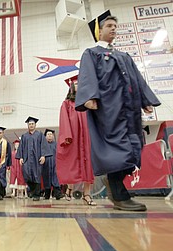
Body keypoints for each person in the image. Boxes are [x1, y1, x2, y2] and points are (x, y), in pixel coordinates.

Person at [75, 11, 161, 211]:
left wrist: (145, 100)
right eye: (109, 26)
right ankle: (119, 195)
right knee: (117, 150)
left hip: (129, 111)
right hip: (109, 110)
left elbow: (137, 78)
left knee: (134, 149)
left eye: (115, 26)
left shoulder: (123, 56)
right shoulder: (92, 53)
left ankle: (114, 183)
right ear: (99, 31)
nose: (113, 29)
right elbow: (87, 76)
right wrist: (89, 97)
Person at [56, 76, 96, 205]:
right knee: (71, 164)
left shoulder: (88, 103)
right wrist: (67, 136)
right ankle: (69, 188)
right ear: (71, 87)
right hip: (73, 139)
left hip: (86, 138)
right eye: (76, 83)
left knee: (88, 165)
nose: (78, 85)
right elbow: (64, 120)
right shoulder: (67, 104)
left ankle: (87, 194)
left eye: (80, 83)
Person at [15, 116, 51, 201]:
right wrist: (20, 157)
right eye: (29, 124)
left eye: (32, 124)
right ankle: (32, 191)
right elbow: (21, 148)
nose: (31, 125)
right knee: (27, 175)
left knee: (37, 176)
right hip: (27, 160)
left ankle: (36, 195)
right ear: (28, 125)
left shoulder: (40, 135)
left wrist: (43, 156)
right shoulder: (24, 136)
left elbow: (43, 146)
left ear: (35, 125)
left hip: (36, 160)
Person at [42, 129, 63, 200]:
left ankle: (57, 194)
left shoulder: (56, 145)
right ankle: (47, 194)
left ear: (53, 136)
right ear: (45, 136)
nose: (50, 136)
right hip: (46, 165)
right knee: (46, 179)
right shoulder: (43, 145)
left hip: (55, 164)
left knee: (55, 179)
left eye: (51, 134)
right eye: (48, 134)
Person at [0, 126, 12, 200]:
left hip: (3, 163)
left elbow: (9, 154)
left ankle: (0, 194)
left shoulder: (6, 143)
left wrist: (8, 164)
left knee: (1, 178)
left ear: (3, 133)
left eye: (0, 133)